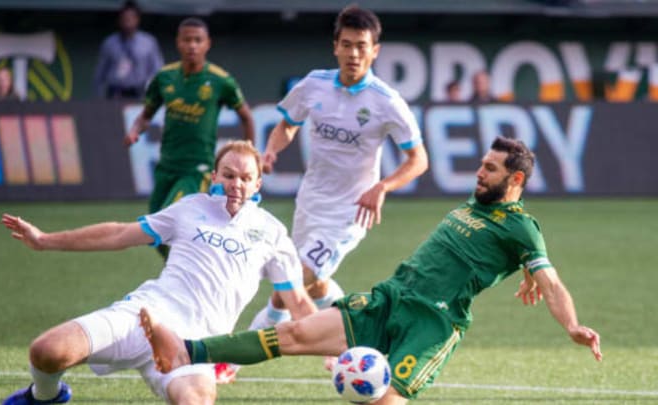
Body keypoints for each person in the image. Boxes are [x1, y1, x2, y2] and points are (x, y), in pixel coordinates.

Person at [139, 136, 603, 405]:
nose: (479, 173)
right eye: (481, 165)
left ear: (515, 180)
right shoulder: (478, 203)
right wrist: (521, 269)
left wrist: (573, 325)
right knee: (294, 336)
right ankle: (185, 350)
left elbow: (552, 281)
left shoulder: (522, 227)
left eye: (490, 169)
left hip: (432, 324)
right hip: (390, 296)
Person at [0, 140, 317, 405]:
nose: (237, 184)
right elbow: (119, 234)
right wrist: (44, 240)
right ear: (214, 178)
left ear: (258, 184)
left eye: (246, 178)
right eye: (229, 175)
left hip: (194, 347)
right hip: (144, 315)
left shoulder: (273, 233)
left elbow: (299, 305)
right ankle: (44, 398)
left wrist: (340, 352)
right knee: (46, 352)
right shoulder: (190, 208)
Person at [249, 5, 428, 336]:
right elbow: (287, 126)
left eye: (362, 46)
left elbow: (418, 159)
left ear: (375, 51)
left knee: (288, 283)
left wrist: (382, 188)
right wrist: (271, 151)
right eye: (346, 44)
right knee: (315, 286)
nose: (354, 54)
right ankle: (351, 335)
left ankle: (231, 360)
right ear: (335, 46)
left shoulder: (387, 101)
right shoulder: (313, 85)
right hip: (311, 201)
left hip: (351, 210)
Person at [124, 16, 255, 260]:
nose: (192, 45)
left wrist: (250, 155)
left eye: (198, 40)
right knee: (154, 233)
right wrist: (135, 130)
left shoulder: (220, 80)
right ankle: (185, 271)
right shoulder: (164, 78)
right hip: (167, 166)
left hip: (198, 168)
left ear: (207, 44)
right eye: (187, 40)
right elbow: (144, 116)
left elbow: (246, 117)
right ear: (178, 43)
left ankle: (193, 275)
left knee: (169, 218)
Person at [93, 0, 164, 99]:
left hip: (140, 94)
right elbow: (100, 74)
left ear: (137, 19)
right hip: (115, 94)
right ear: (119, 19)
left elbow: (157, 70)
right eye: (124, 18)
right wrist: (99, 98)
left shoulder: (149, 42)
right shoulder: (110, 43)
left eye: (131, 17)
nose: (127, 21)